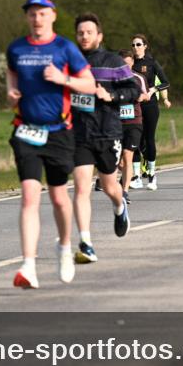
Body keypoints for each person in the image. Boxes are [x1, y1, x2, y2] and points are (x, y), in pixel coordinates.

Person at [6, 0, 95, 289]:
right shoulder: (16, 48)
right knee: (30, 195)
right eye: (32, 13)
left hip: (59, 132)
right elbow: (11, 73)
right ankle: (28, 266)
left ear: (53, 16)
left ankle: (64, 248)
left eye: (42, 13)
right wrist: (11, 92)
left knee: (58, 198)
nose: (37, 18)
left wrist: (63, 79)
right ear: (27, 17)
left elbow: (90, 85)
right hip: (26, 130)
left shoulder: (65, 48)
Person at [71, 13, 138, 265]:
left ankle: (120, 207)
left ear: (99, 36)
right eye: (80, 33)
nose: (84, 36)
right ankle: (86, 243)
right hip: (80, 134)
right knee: (81, 188)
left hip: (108, 132)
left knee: (110, 187)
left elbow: (133, 90)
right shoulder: (71, 62)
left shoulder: (113, 62)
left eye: (89, 32)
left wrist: (110, 96)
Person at [129, 34, 170, 191]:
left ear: (145, 46)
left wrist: (153, 90)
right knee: (136, 141)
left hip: (150, 106)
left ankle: (152, 175)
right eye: (133, 45)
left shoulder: (152, 63)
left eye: (138, 45)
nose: (135, 48)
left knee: (149, 139)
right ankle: (137, 176)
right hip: (134, 106)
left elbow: (166, 82)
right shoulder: (130, 63)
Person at [118, 49, 150, 204]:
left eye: (128, 62)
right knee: (118, 161)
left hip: (134, 122)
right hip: (116, 123)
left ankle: (124, 192)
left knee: (127, 155)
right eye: (122, 62)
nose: (126, 65)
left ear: (132, 62)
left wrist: (138, 96)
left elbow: (146, 95)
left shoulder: (139, 78)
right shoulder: (113, 78)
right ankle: (124, 178)